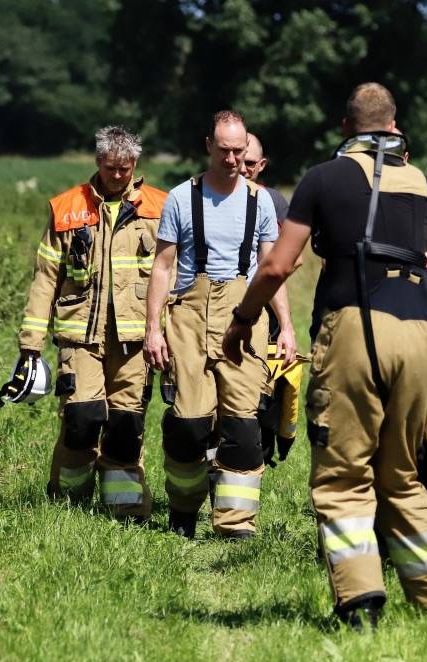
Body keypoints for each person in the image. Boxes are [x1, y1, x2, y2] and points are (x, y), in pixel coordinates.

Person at [222, 83, 427, 629]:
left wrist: (243, 319)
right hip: (420, 333)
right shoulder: (421, 183)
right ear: (395, 127)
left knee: (343, 475)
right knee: (403, 475)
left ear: (345, 127)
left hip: (356, 328)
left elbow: (277, 266)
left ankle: (360, 603)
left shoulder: (322, 179)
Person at [144, 110, 297, 540]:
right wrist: (153, 328)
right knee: (189, 424)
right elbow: (162, 267)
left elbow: (271, 270)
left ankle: (235, 524)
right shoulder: (180, 198)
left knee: (243, 428)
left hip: (244, 317)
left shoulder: (260, 201)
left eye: (239, 151)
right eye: (225, 150)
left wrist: (286, 327)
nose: (232, 160)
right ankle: (183, 510)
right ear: (209, 146)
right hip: (189, 317)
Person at [12, 125, 167, 521]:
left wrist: (170, 336)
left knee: (126, 425)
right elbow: (45, 279)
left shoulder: (160, 207)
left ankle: (125, 510)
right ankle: (68, 503)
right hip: (80, 335)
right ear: (98, 161)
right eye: (111, 167)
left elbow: (174, 277)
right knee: (81, 420)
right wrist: (31, 342)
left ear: (135, 163)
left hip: (134, 339)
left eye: (125, 168)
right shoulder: (68, 208)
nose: (118, 175)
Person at [241, 132, 303, 467]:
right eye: (238, 160)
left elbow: (294, 259)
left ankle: (258, 460)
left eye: (250, 163)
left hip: (268, 319)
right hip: (221, 310)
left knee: (265, 400)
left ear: (262, 165)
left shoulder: (274, 202)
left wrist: (263, 276)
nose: (242, 168)